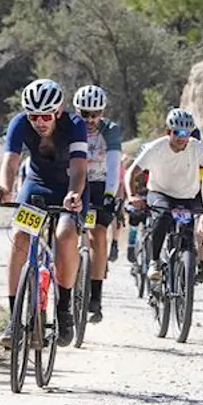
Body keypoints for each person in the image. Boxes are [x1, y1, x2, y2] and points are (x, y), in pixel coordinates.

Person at [0, 78, 88, 347]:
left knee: (65, 233)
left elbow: (80, 168)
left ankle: (64, 308)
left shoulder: (75, 125)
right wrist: (4, 187)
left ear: (58, 111)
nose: (40, 122)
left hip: (71, 185)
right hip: (37, 184)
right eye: (34, 116)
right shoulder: (19, 124)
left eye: (46, 115)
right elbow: (10, 162)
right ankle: (14, 320)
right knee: (20, 236)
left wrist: (74, 195)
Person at [128, 108, 203, 290]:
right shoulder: (156, 148)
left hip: (187, 197)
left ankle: (187, 268)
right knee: (163, 216)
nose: (182, 138)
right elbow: (131, 173)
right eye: (178, 133)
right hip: (160, 193)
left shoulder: (196, 147)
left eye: (186, 134)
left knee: (189, 234)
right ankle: (155, 261)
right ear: (168, 132)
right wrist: (132, 195)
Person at [74, 84, 121, 325]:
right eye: (85, 114)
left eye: (96, 114)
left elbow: (114, 166)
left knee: (98, 234)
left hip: (100, 184)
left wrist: (111, 194)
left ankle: (96, 297)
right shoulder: (71, 126)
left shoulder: (110, 130)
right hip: (75, 182)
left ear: (102, 112)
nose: (90, 119)